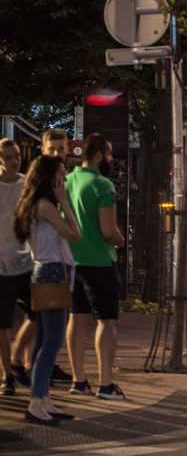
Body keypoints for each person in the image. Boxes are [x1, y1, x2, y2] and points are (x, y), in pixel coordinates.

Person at [13, 155, 81, 425]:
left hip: (48, 272)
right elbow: (76, 234)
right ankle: (35, 403)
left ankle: (43, 401)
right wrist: (64, 201)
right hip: (51, 273)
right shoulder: (44, 206)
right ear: (48, 178)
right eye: (61, 174)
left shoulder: (39, 204)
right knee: (52, 342)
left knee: (44, 340)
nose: (64, 179)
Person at [64, 133, 127, 401]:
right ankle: (106, 384)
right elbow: (107, 230)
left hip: (71, 260)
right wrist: (120, 239)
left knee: (76, 318)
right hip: (99, 261)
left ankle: (79, 381)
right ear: (100, 155)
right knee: (107, 322)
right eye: (110, 154)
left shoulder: (66, 181)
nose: (111, 159)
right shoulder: (103, 186)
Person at [0, 138, 32, 396]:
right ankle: (7, 375)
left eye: (17, 156)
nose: (14, 160)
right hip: (1, 267)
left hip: (26, 263)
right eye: (9, 157)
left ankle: (16, 358)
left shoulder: (25, 184)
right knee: (3, 324)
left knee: (38, 313)